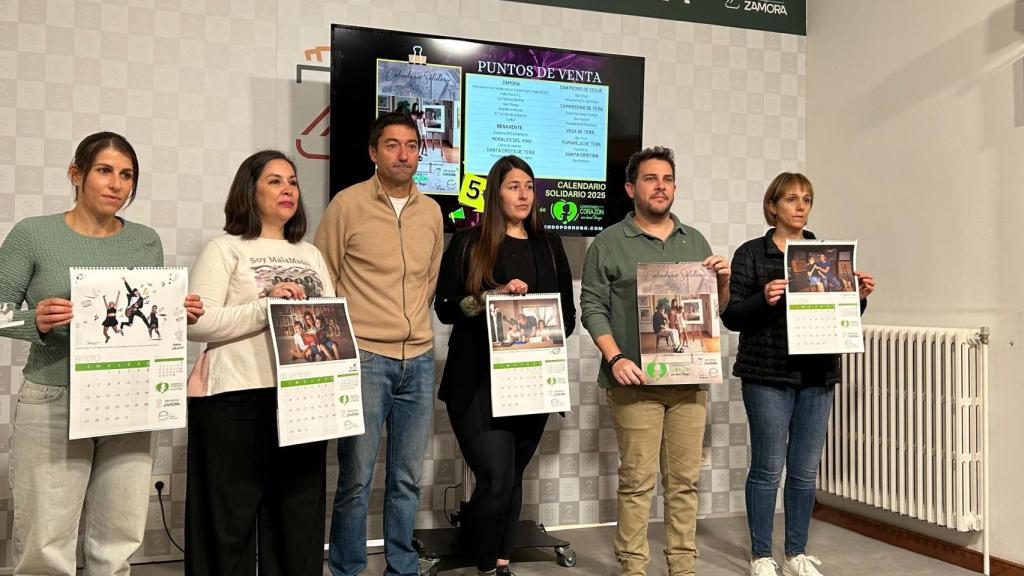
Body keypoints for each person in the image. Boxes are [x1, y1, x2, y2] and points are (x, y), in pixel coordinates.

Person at [0, 131, 203, 575]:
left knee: (117, 541)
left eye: (126, 175)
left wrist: (174, 312)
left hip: (130, 399)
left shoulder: (146, 241)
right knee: (45, 545)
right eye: (104, 171)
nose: (116, 184)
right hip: (55, 398)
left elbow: (137, 315)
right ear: (76, 174)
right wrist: (34, 320)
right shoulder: (33, 233)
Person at [580, 146, 730, 576]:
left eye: (666, 179)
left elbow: (712, 311)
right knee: (637, 482)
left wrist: (723, 281)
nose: (660, 186)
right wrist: (616, 358)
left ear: (675, 188)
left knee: (685, 482)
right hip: (634, 382)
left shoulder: (695, 240)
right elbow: (592, 307)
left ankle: (683, 566)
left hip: (688, 381)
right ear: (631, 188)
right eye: (650, 178)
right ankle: (633, 567)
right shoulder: (609, 242)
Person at [185, 150, 334, 576]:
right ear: (249, 190)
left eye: (292, 181)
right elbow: (200, 324)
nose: (287, 189)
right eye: (274, 181)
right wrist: (264, 308)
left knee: (299, 523)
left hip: (303, 400)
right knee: (226, 526)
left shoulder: (310, 254)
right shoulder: (224, 248)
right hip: (235, 399)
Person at [720, 172, 875, 576]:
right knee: (769, 468)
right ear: (773, 206)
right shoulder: (751, 254)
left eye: (806, 198)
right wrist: (764, 298)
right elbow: (732, 316)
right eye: (791, 199)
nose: (801, 205)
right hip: (767, 374)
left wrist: (856, 300)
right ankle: (761, 555)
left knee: (806, 470)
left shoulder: (826, 255)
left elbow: (839, 318)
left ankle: (796, 553)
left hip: (816, 373)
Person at [315, 111, 444, 576]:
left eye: (411, 145)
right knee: (355, 478)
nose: (403, 154)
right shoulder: (346, 205)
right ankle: (347, 569)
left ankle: (401, 567)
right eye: (392, 145)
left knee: (406, 478)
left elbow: (429, 280)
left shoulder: (431, 212)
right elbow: (323, 277)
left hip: (420, 359)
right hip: (365, 358)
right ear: (374, 152)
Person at [435, 155, 576, 576]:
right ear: (496, 192)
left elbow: (566, 318)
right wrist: (493, 300)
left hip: (531, 385)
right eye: (514, 186)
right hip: (475, 382)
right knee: (495, 478)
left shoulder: (549, 247)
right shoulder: (467, 242)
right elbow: (445, 308)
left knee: (512, 478)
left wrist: (535, 316)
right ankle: (483, 566)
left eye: (529, 187)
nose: (524, 195)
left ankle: (500, 562)